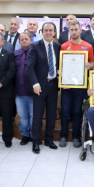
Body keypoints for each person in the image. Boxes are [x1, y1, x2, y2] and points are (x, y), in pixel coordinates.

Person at [59, 20, 94, 148]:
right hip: (67, 86)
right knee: (65, 111)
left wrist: (88, 65)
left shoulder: (88, 46)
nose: (74, 32)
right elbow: (61, 66)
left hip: (80, 86)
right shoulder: (63, 46)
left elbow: (92, 63)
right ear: (69, 31)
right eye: (71, 30)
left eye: (76, 29)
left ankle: (76, 136)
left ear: (80, 30)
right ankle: (63, 135)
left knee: (77, 112)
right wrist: (61, 77)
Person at [27, 22, 61, 154]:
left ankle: (49, 139)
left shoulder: (58, 47)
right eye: (45, 30)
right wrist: (35, 84)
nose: (48, 32)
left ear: (54, 32)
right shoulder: (35, 46)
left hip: (53, 85)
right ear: (42, 32)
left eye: (50, 30)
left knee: (52, 114)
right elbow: (29, 67)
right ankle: (36, 141)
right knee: (38, 115)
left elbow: (61, 64)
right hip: (39, 86)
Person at [14, 32, 34, 145]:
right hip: (19, 91)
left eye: (26, 39)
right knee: (23, 116)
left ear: (31, 40)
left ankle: (33, 135)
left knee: (33, 115)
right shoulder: (15, 54)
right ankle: (25, 135)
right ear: (19, 41)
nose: (24, 41)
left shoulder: (35, 53)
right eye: (22, 39)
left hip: (33, 91)